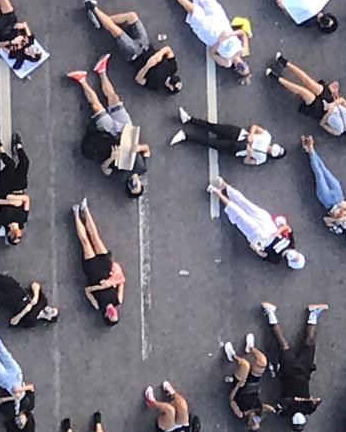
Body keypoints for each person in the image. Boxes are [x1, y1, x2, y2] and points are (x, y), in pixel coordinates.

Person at [155, 0, 250, 81]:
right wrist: (230, 34)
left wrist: (219, 42)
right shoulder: (243, 51)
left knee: (191, 8)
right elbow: (243, 33)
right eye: (245, 67)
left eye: (241, 69)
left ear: (237, 70)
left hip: (210, 33)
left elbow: (212, 53)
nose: (241, 66)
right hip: (222, 23)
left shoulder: (227, 62)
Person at [67, 60, 152, 196]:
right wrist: (139, 148)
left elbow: (105, 169)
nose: (134, 184)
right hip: (126, 130)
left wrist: (113, 158)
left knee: (96, 107)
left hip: (110, 136)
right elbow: (147, 150)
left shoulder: (120, 178)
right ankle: (102, 72)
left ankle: (82, 80)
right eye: (137, 186)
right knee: (114, 99)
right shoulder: (142, 168)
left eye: (132, 187)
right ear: (141, 184)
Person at [209, 177, 305, 268]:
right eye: (296, 257)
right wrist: (278, 231)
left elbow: (263, 254)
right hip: (269, 226)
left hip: (259, 237)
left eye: (294, 260)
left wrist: (256, 248)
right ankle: (225, 186)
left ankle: (218, 193)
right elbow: (287, 228)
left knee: (240, 215)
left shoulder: (277, 259)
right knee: (246, 205)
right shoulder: (291, 244)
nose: (293, 256)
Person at [267, 52, 346, 141]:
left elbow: (322, 124)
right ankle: (285, 62)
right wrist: (333, 104)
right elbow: (342, 101)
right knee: (308, 81)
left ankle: (276, 78)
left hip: (321, 111)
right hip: (330, 101)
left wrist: (328, 113)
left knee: (303, 91)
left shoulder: (338, 132)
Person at [265, 301, 326, 427]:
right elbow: (318, 401)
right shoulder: (308, 409)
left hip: (288, 371)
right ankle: (313, 314)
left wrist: (295, 401)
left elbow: (279, 404)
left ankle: (270, 314)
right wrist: (308, 401)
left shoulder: (285, 411)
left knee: (282, 344)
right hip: (304, 371)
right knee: (309, 342)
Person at [71, 199, 124, 325]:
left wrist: (100, 287)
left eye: (111, 316)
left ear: (106, 315)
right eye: (115, 315)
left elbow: (87, 291)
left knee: (85, 241)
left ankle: (76, 214)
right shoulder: (118, 300)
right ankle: (86, 209)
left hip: (93, 272)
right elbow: (121, 282)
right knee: (95, 236)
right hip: (106, 268)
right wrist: (110, 283)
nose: (114, 313)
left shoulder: (98, 305)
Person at [298, 136, 346, 243]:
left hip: (328, 201)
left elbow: (326, 220)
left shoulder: (339, 229)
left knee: (319, 175)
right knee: (324, 169)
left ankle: (311, 148)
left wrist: (338, 219)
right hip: (339, 196)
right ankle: (310, 149)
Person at [172, 109, 285, 166]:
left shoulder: (262, 159)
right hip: (239, 134)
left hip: (237, 148)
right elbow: (254, 127)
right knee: (214, 127)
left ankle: (186, 136)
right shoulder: (267, 136)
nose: (274, 149)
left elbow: (246, 161)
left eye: (276, 152)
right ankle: (189, 119)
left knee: (211, 143)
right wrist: (251, 135)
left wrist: (249, 153)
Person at [222, 334, 276, 432]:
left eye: (254, 423)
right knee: (262, 361)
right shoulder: (258, 412)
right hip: (253, 384)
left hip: (240, 387)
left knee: (245, 365)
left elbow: (231, 400)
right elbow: (264, 407)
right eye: (258, 421)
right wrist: (271, 409)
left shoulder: (241, 414)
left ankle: (233, 356)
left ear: (249, 424)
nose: (256, 420)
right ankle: (250, 348)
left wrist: (237, 386)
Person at [0, 134, 31, 244]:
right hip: (18, 191)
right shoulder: (22, 220)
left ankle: (0, 150)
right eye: (19, 237)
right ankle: (18, 147)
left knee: (11, 166)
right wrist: (15, 199)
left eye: (14, 237)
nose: (17, 234)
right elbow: (26, 200)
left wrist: (8, 201)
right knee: (25, 164)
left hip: (3, 191)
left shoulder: (2, 220)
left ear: (9, 234)